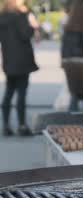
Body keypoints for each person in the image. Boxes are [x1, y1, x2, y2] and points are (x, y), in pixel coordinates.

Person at [0, 0, 39, 136]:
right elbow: (26, 34)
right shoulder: (21, 15)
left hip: (9, 60)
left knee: (9, 92)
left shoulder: (2, 17)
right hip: (22, 60)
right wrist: (33, 25)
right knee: (21, 93)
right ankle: (22, 126)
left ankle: (6, 125)